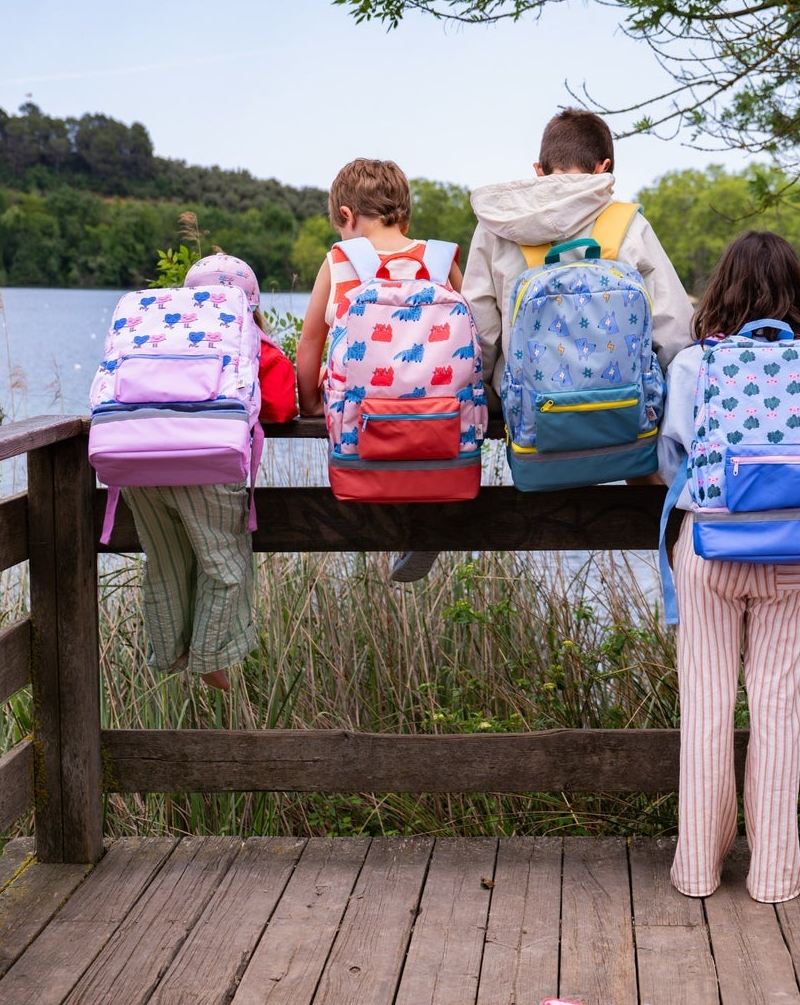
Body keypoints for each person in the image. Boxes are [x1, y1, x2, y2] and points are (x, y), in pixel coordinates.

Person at [657, 230, 800, 904]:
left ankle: (697, 868)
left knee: (705, 707)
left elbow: (672, 459)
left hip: (709, 545)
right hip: (799, 551)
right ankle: (775, 872)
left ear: (721, 290)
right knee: (779, 711)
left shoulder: (696, 365)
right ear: (797, 295)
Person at [119, 254, 294, 692]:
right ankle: (210, 657)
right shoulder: (249, 341)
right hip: (206, 463)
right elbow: (281, 406)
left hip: (136, 458)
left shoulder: (157, 334)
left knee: (164, 561)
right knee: (224, 565)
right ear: (251, 304)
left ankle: (169, 651)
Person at [295, 157, 463, 581]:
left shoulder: (339, 260)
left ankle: (400, 525)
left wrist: (312, 403)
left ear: (346, 216)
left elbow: (311, 340)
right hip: (440, 419)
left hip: (366, 425)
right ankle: (425, 526)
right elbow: (476, 335)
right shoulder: (440, 259)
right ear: (403, 214)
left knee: (375, 436)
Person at [465, 107, 693, 401]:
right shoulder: (629, 226)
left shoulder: (496, 227)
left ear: (539, 170)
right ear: (604, 167)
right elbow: (674, 333)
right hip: (623, 413)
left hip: (530, 416)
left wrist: (487, 391)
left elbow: (479, 334)